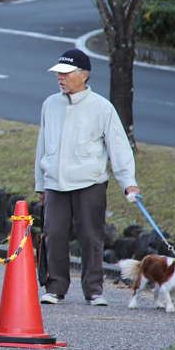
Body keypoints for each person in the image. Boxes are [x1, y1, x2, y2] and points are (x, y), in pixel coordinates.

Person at [35, 49, 141, 307]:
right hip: (54, 183)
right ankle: (55, 288)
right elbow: (42, 145)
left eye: (66, 73)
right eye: (58, 73)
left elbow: (118, 147)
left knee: (92, 237)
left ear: (83, 75)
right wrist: (41, 184)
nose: (60, 77)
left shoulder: (102, 107)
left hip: (90, 183)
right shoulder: (50, 104)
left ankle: (93, 290)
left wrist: (129, 182)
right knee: (53, 235)